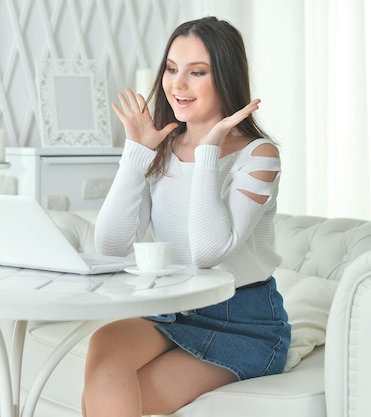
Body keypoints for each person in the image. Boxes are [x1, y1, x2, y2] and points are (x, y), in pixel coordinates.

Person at [82, 16, 291, 417]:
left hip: (242, 320)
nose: (178, 85)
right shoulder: (160, 147)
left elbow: (208, 252)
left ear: (226, 78)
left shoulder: (258, 155)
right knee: (105, 346)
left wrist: (207, 152)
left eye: (197, 72)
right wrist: (135, 154)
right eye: (172, 69)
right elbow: (110, 246)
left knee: (108, 400)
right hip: (169, 303)